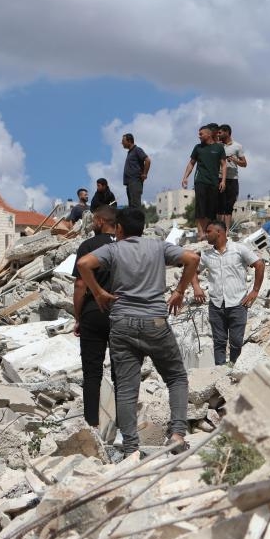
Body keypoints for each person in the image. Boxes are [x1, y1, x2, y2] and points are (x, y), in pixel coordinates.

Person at [75, 206, 200, 457]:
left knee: (127, 389)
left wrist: (98, 292)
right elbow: (193, 258)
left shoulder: (113, 249)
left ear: (118, 228)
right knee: (176, 377)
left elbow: (83, 264)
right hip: (155, 321)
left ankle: (131, 447)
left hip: (121, 323)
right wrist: (179, 292)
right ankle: (176, 435)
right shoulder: (158, 246)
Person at [191, 220, 265, 366]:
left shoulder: (239, 249)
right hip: (216, 305)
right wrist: (196, 287)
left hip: (238, 303)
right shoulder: (206, 255)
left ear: (219, 232)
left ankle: (234, 369)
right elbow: (192, 269)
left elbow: (259, 264)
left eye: (208, 232)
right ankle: (220, 372)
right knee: (219, 341)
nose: (206, 235)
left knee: (236, 341)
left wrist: (255, 290)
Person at [72, 205, 117, 428]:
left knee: (92, 372)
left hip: (93, 312)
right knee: (122, 372)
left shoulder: (88, 246)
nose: (91, 223)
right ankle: (124, 425)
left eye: (93, 220)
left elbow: (80, 285)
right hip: (120, 313)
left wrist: (78, 317)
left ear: (99, 221)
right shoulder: (123, 246)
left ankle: (92, 425)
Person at [181, 124, 227, 238]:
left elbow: (224, 165)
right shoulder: (198, 148)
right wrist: (185, 177)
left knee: (211, 209)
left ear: (209, 134)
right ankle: (200, 234)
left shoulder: (219, 148)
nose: (199, 136)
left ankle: (208, 233)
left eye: (201, 134)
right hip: (200, 181)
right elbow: (191, 163)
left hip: (214, 182)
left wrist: (223, 181)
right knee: (200, 208)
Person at [219, 124, 247, 231]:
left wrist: (235, 160)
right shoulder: (218, 145)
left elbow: (244, 163)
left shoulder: (237, 146)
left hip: (232, 179)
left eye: (220, 132)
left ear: (227, 132)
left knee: (229, 206)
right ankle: (219, 229)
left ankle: (226, 231)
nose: (218, 134)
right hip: (219, 178)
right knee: (219, 206)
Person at [121, 133, 151, 209]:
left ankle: (138, 221)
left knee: (135, 206)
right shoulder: (130, 152)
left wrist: (145, 174)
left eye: (123, 141)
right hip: (130, 183)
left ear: (129, 141)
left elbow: (147, 160)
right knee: (131, 207)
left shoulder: (137, 150)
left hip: (135, 181)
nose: (122, 143)